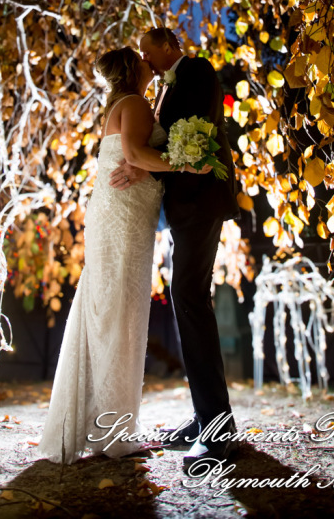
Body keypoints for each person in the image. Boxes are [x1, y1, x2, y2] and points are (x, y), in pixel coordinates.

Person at [39, 46, 210, 464]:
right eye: (141, 57)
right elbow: (134, 155)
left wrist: (149, 166)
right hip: (124, 217)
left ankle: (102, 425)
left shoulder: (124, 102)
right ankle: (113, 434)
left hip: (123, 215)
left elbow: (133, 158)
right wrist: (187, 164)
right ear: (132, 69)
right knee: (120, 316)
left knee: (112, 313)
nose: (147, 62)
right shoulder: (133, 102)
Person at [110, 27, 240, 469]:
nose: (144, 59)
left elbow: (194, 137)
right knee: (187, 300)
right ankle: (206, 417)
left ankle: (217, 428)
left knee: (189, 299)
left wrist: (145, 166)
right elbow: (169, 141)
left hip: (202, 202)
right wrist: (142, 166)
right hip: (183, 207)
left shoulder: (198, 71)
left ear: (169, 46)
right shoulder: (165, 90)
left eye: (148, 50)